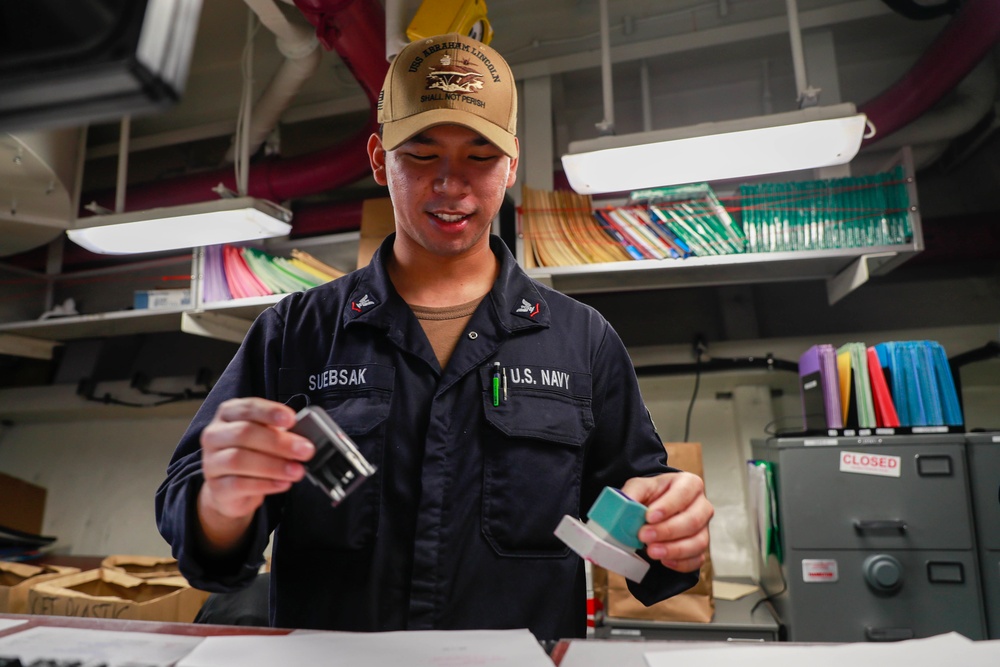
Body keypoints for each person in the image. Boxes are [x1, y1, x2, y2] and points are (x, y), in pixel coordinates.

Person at [156, 32, 713, 641]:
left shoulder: (584, 342)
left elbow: (649, 547)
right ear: (378, 158)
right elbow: (192, 521)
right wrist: (221, 506)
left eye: (480, 155)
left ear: (512, 164)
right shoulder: (294, 334)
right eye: (421, 154)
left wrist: (673, 529)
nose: (452, 184)